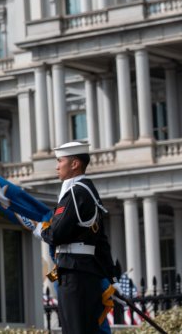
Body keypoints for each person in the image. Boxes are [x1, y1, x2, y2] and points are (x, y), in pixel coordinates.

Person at [34, 140, 116, 334]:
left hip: (74, 271)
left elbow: (56, 234)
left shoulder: (76, 192)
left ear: (74, 164)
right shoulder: (88, 192)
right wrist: (112, 278)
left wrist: (40, 229)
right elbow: (101, 241)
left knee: (75, 329)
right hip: (85, 270)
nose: (56, 166)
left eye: (60, 161)